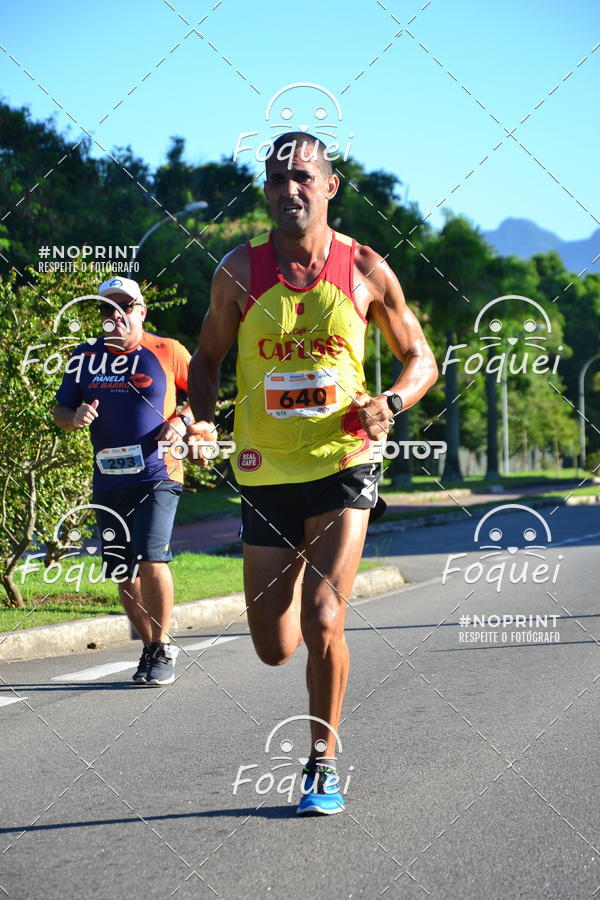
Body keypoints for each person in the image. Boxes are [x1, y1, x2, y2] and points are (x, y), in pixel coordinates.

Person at [188, 133, 438, 814]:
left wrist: (392, 403)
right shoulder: (237, 271)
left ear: (330, 186)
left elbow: (421, 357)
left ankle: (321, 763)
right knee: (274, 648)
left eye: (302, 176)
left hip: (343, 463)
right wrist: (203, 421)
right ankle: (300, 566)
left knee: (325, 618)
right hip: (266, 471)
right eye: (276, 179)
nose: (288, 189)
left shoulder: (365, 268)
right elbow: (206, 360)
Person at [54, 276, 193, 686]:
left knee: (151, 557)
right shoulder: (84, 357)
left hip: (158, 473)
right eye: (106, 308)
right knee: (121, 570)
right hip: (110, 478)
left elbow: (202, 395)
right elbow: (60, 410)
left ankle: (162, 646)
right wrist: (74, 417)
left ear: (141, 311)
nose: (115, 315)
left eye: (124, 307)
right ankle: (150, 646)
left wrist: (182, 421)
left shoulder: (168, 350)